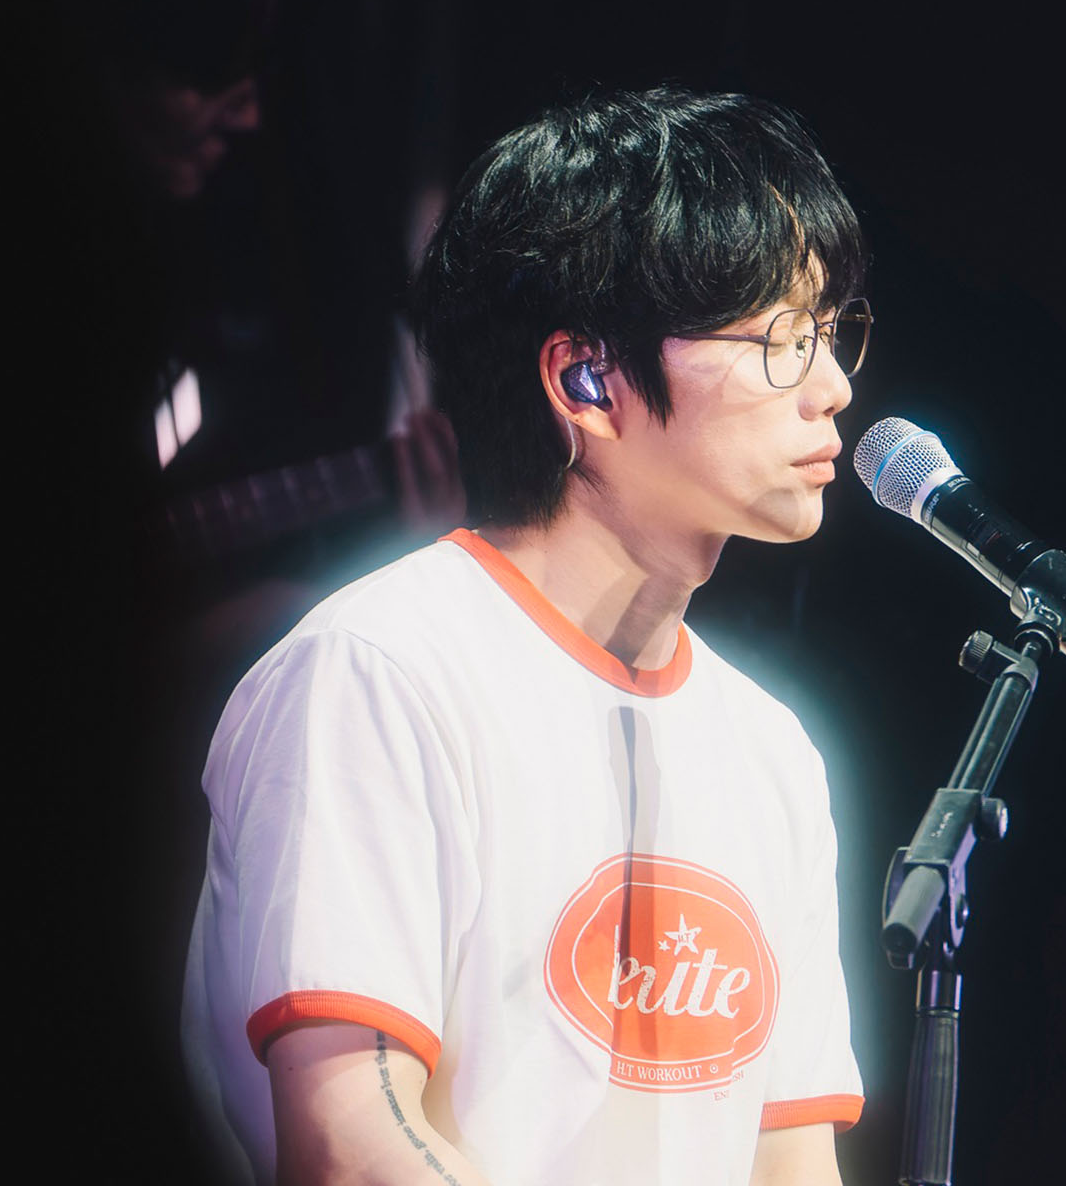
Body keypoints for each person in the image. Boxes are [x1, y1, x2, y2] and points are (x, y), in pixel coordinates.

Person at [182, 87, 874, 1185]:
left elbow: (791, 1164)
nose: (831, 388)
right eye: (783, 339)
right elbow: (352, 1145)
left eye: (833, 333)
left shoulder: (771, 750)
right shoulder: (378, 671)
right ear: (586, 381)